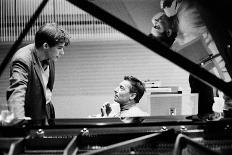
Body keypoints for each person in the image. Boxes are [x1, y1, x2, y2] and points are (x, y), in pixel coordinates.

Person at [149, 12, 215, 118]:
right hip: (206, 56)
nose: (155, 22)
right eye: (157, 26)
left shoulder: (183, 21)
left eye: (156, 24)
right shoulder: (183, 26)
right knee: (196, 79)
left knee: (196, 79)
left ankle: (203, 112)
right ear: (169, 32)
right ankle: (203, 112)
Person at [6, 23, 70, 125]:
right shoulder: (22, 59)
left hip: (48, 111)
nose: (62, 52)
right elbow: (17, 91)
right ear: (46, 46)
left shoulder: (50, 56)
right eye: (59, 48)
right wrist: (18, 122)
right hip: (31, 116)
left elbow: (46, 88)